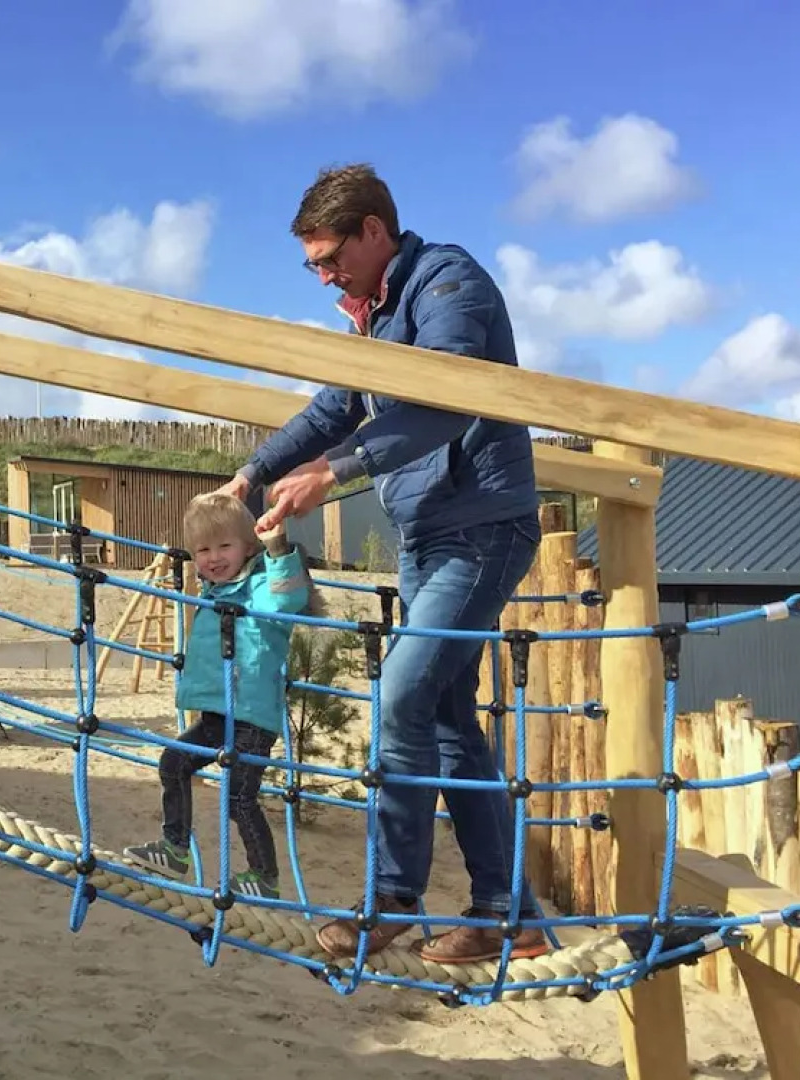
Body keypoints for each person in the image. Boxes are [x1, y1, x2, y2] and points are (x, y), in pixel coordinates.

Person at [216, 163, 550, 964]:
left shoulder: (446, 285)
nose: (323, 275)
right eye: (312, 265)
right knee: (444, 717)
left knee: (401, 691)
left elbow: (444, 400)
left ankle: (393, 895)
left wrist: (335, 472)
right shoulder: (367, 315)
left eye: (331, 257)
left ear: (375, 230)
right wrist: (253, 473)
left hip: (482, 527)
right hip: (426, 533)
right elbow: (335, 407)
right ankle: (510, 912)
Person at [124, 492, 324, 901]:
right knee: (173, 762)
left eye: (224, 546)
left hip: (252, 717)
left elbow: (288, 599)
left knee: (239, 798)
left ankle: (264, 876)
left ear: (248, 547)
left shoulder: (259, 586)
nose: (213, 557)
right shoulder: (214, 592)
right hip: (219, 713)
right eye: (202, 550)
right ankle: (176, 849)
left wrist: (278, 549)